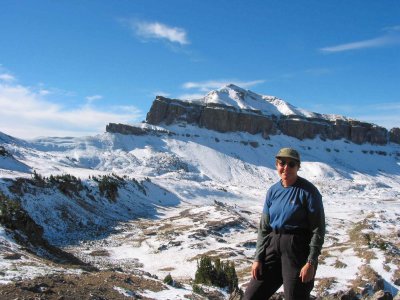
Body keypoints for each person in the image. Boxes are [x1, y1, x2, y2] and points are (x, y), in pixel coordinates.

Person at [243, 147, 325, 300]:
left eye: (291, 164)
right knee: (251, 296)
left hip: (297, 248)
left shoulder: (309, 192)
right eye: (282, 163)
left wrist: (311, 262)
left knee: (295, 296)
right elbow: (264, 228)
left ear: (298, 167)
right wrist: (257, 258)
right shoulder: (272, 191)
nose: (286, 167)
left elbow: (318, 229)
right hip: (273, 245)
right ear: (276, 165)